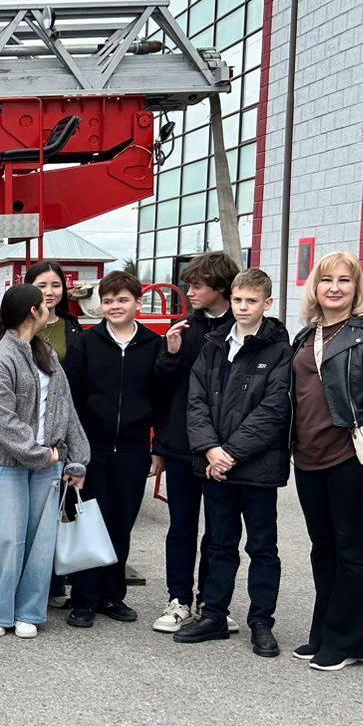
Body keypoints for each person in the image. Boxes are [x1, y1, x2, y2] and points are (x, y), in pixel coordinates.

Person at [289, 252, 363, 672]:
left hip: (353, 459)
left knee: (352, 550)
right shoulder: (306, 335)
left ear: (357, 287)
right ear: (315, 287)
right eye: (327, 280)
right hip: (308, 458)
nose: (335, 287)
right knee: (322, 548)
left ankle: (348, 641)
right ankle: (324, 631)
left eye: (345, 279)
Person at [174, 267, 292, 658]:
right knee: (219, 544)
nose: (243, 307)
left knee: (262, 548)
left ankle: (261, 622)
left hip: (256, 469)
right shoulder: (213, 345)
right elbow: (196, 402)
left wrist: (231, 453)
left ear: (267, 303)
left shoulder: (279, 351)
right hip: (215, 467)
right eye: (238, 300)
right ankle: (214, 615)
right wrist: (210, 449)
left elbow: (273, 410)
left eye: (251, 301)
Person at [0, 283, 89, 639]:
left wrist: (77, 459)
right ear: (32, 312)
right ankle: (0, 613)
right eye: (44, 304)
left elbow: (66, 409)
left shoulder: (46, 353)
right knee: (7, 541)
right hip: (7, 465)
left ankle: (29, 612)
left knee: (40, 544)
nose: (49, 306)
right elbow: (1, 421)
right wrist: (42, 455)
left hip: (48, 465)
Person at [63, 271, 167, 629]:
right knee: (91, 521)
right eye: (108, 301)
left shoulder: (153, 345)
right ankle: (83, 599)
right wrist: (73, 451)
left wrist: (158, 448)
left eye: (122, 300)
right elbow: (72, 400)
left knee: (121, 523)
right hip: (92, 449)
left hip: (134, 449)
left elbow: (161, 400)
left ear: (137, 302)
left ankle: (112, 595)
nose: (115, 306)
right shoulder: (87, 343)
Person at [151, 251, 241, 634]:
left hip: (225, 450)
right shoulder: (184, 329)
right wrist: (170, 356)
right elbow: (162, 391)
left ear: (220, 287)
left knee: (221, 532)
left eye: (198, 286)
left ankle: (212, 604)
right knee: (181, 526)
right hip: (180, 446)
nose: (190, 292)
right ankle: (179, 600)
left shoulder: (242, 329)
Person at [24, 260, 83, 609]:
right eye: (41, 285)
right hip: (24, 432)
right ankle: (23, 581)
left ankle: (54, 581)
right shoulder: (12, 327)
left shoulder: (74, 330)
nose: (49, 292)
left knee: (58, 509)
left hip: (59, 430)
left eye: (55, 285)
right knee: (24, 513)